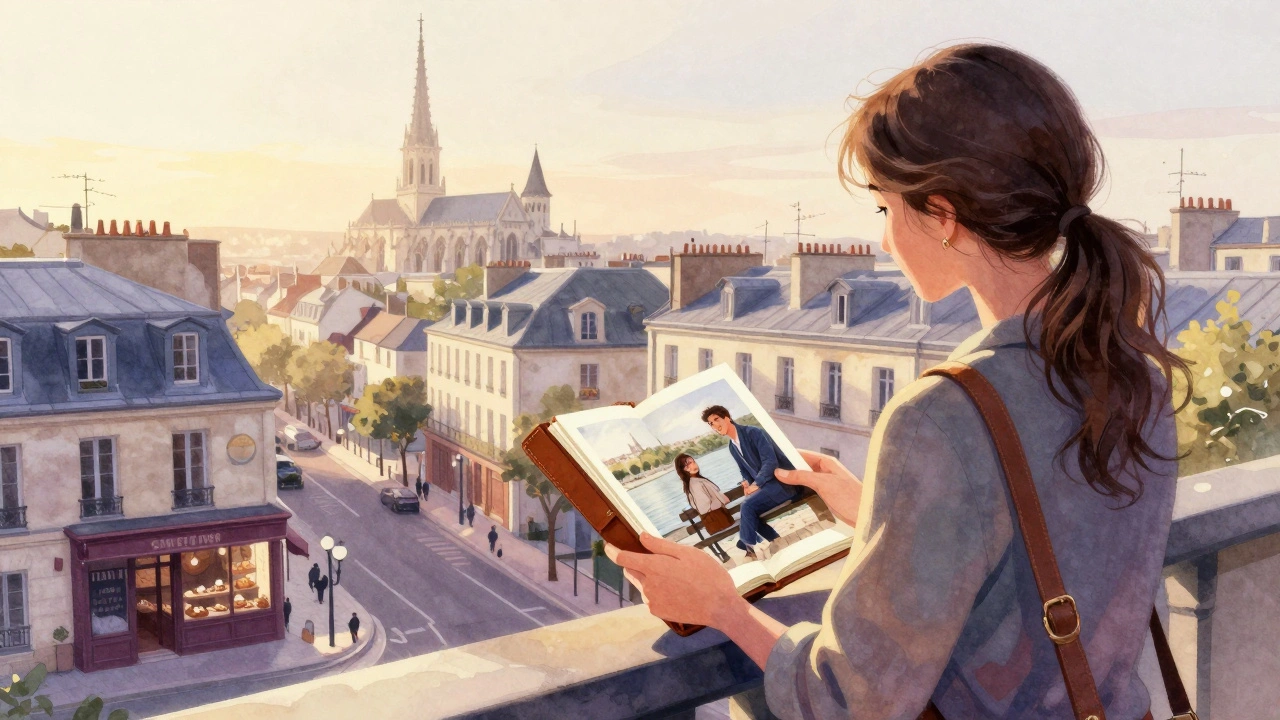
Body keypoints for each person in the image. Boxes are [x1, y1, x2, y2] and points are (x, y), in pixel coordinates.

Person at [607, 43, 1188, 720]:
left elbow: (851, 702)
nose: (883, 240)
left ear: (943, 217)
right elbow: (1052, 560)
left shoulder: (942, 416)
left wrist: (723, 610)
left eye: (885, 209)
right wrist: (880, 510)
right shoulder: (1132, 375)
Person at [701, 405, 796, 560]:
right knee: (748, 511)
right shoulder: (732, 446)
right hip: (768, 488)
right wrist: (746, 483)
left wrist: (756, 485)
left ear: (727, 418)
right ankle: (775, 539)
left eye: (716, 419)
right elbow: (744, 470)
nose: (714, 425)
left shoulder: (753, 433)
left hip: (784, 483)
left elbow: (770, 462)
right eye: (711, 424)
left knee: (747, 506)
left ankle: (747, 546)